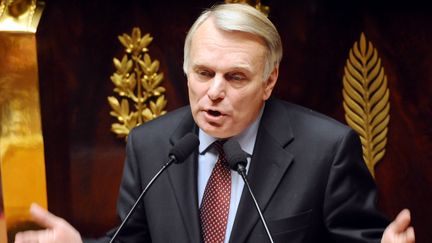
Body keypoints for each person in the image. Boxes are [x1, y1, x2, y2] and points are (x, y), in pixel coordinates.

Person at [15, 3, 415, 243]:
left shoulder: (326, 150)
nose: (215, 92)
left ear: (269, 80)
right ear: (186, 71)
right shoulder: (151, 145)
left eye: (236, 77)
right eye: (204, 73)